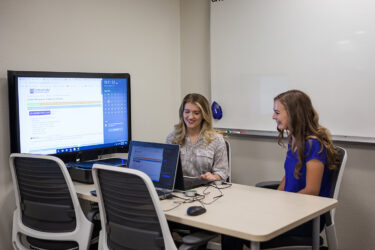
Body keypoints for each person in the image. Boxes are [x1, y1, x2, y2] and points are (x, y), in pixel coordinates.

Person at [221, 89, 339, 249]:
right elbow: (288, 177)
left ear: (294, 113)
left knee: (236, 227)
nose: (273, 116)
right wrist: (275, 199)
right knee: (231, 223)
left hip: (304, 218)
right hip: (289, 210)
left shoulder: (313, 145)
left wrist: (278, 209)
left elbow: (311, 191)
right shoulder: (294, 139)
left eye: (277, 112)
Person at [166, 93, 228, 181]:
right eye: (187, 112)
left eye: (196, 113)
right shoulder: (172, 138)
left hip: (206, 190)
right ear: (182, 113)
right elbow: (167, 170)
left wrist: (213, 177)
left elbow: (222, 173)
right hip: (179, 191)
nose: (190, 117)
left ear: (204, 115)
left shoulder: (216, 140)